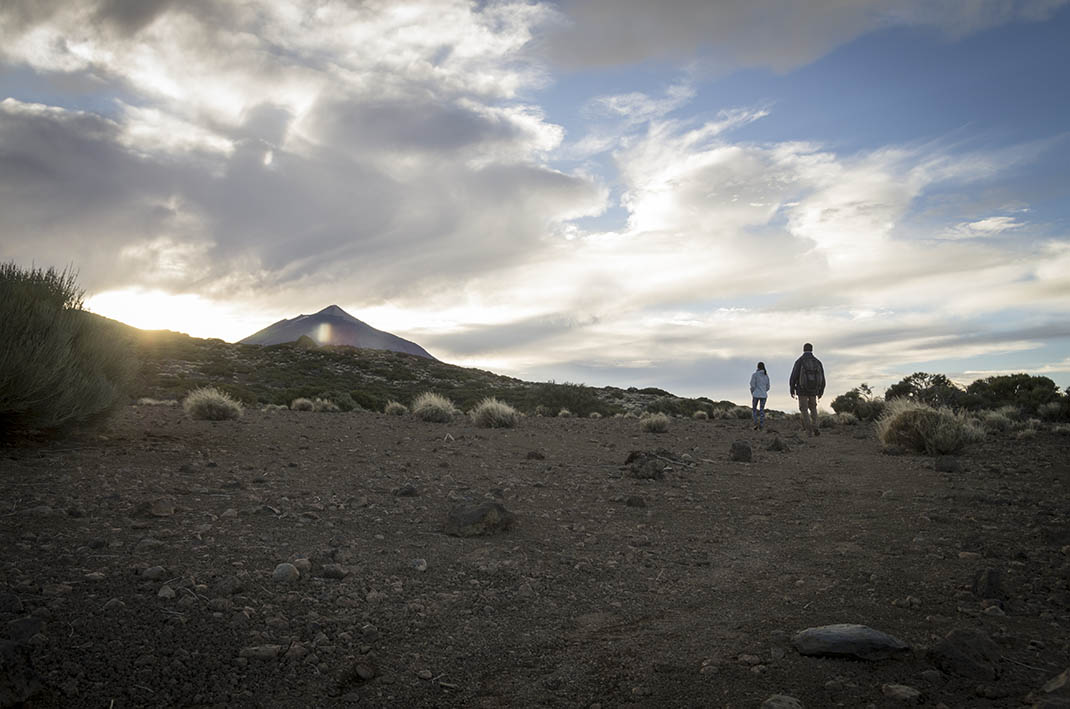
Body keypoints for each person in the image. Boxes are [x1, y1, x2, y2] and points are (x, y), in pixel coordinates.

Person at [789, 343, 825, 437]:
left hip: (802, 390)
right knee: (813, 408)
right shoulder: (817, 362)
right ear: (812, 349)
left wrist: (792, 389)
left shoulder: (800, 361)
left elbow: (794, 376)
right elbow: (822, 377)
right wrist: (821, 391)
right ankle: (816, 427)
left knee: (804, 409)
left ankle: (809, 430)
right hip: (814, 390)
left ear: (803, 349)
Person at [749, 362, 770, 430]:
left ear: (757, 367)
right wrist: (764, 390)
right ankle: (761, 424)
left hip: (756, 394)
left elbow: (752, 385)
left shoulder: (755, 375)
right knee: (761, 410)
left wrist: (753, 392)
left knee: (754, 409)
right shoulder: (766, 376)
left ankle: (755, 423)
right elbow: (768, 387)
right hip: (764, 395)